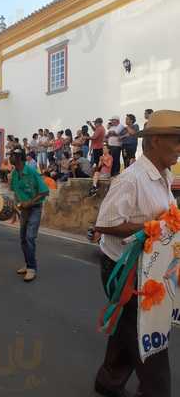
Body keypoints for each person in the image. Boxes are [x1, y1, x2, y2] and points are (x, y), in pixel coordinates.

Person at [94, 110, 180, 397]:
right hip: (124, 269)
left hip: (149, 268)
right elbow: (105, 224)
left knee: (128, 331)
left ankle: (108, 381)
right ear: (156, 141)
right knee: (149, 338)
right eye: (176, 140)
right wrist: (152, 228)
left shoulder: (163, 175)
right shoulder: (131, 179)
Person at [10, 149, 49, 282]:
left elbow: (45, 191)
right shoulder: (14, 174)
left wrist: (30, 202)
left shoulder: (32, 172)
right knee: (22, 238)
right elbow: (15, 192)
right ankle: (27, 264)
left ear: (20, 159)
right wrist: (16, 207)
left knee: (30, 237)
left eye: (13, 156)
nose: (10, 158)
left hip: (35, 208)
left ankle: (32, 268)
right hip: (23, 210)